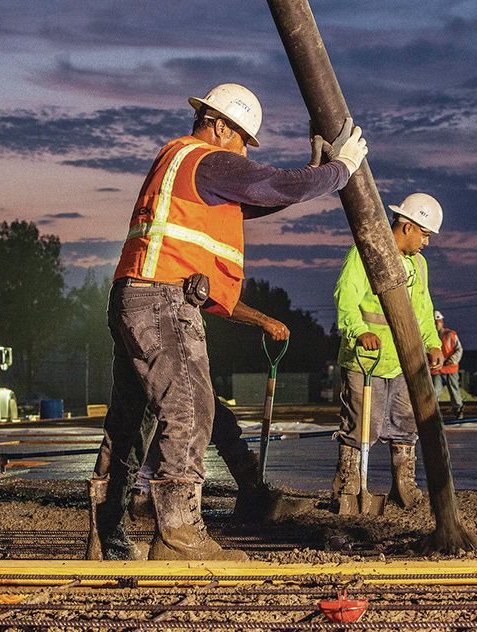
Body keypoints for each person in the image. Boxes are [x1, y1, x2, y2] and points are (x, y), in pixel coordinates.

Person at [88, 82, 368, 561]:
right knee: (192, 407)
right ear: (220, 126)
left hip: (134, 296)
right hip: (163, 300)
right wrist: (340, 170)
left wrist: (317, 171)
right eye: (242, 141)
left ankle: (107, 540)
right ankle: (179, 537)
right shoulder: (205, 158)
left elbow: (262, 197)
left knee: (131, 423)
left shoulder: (182, 163)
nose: (243, 154)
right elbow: (270, 184)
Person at [128, 303, 291, 526]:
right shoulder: (177, 282)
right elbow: (221, 299)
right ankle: (169, 511)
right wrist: (263, 320)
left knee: (162, 415)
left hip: (159, 341)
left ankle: (143, 493)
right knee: (190, 418)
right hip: (170, 345)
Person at [332, 193, 444, 513]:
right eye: (424, 234)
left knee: (405, 423)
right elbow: (346, 296)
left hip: (403, 360)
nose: (426, 242)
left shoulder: (418, 265)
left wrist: (432, 342)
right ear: (407, 227)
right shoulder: (366, 253)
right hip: (366, 359)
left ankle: (403, 484)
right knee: (361, 424)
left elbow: (423, 310)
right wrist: (358, 330)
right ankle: (349, 486)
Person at [430, 310, 464, 418]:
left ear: (441, 322)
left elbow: (459, 350)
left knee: (454, 391)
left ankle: (458, 410)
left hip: (450, 368)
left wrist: (452, 359)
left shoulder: (451, 335)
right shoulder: (430, 337)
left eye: (437, 322)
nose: (436, 324)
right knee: (434, 392)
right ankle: (432, 412)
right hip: (436, 369)